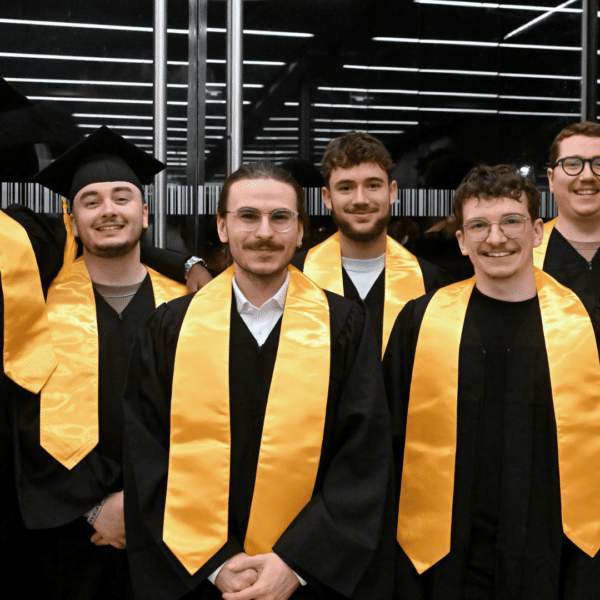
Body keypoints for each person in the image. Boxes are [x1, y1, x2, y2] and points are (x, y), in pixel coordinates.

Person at [123, 162, 393, 600]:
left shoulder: (344, 326)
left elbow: (363, 454)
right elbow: (146, 452)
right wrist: (215, 564)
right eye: (247, 216)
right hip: (199, 575)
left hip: (306, 579)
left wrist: (296, 563)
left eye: (280, 217)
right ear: (222, 227)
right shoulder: (170, 327)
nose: (264, 233)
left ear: (301, 231)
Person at [385, 165, 600, 599]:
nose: (496, 238)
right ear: (462, 241)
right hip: (442, 561)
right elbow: (385, 439)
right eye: (479, 225)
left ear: (537, 232)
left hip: (556, 557)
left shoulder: (587, 325)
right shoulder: (420, 322)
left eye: (511, 222)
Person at [12, 126, 190, 600]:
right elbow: (22, 420)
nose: (108, 210)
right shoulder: (38, 308)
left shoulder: (192, 309)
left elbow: (216, 418)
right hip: (69, 537)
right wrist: (95, 507)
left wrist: (145, 505)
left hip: (176, 530)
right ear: (72, 223)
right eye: (91, 202)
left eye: (122, 197)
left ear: (145, 214)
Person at [293, 132, 451, 355]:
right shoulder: (296, 278)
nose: (360, 200)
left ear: (392, 192)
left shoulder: (432, 284)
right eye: (346, 187)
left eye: (373, 185)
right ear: (327, 198)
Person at [536, 120, 600, 303]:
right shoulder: (524, 253)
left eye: (599, 164)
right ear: (551, 179)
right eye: (572, 164)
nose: (587, 176)